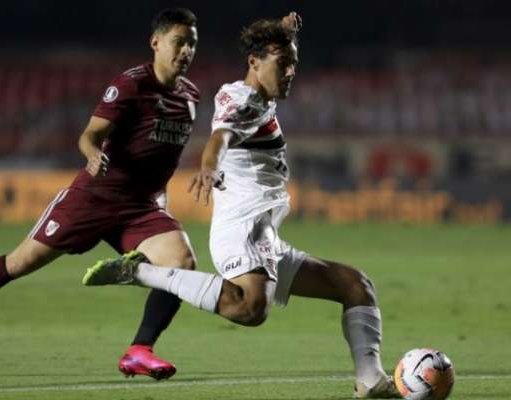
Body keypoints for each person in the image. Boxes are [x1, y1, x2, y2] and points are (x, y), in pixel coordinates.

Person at [83, 12, 400, 398]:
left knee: (354, 284)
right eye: (283, 64)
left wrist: (283, 35)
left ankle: (371, 381)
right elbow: (221, 136)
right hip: (244, 230)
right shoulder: (245, 99)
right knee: (250, 310)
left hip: (264, 232)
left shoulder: (258, 95)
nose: (290, 73)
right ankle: (139, 274)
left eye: (293, 64)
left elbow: (254, 84)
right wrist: (209, 166)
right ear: (254, 63)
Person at [0, 7, 201, 381]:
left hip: (140, 207)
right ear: (156, 42)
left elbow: (163, 159)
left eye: (192, 43)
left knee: (182, 263)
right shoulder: (131, 84)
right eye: (179, 42)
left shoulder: (190, 97)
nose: (186, 50)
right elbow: (89, 135)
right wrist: (93, 154)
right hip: (94, 197)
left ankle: (140, 350)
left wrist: (159, 200)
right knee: (19, 263)